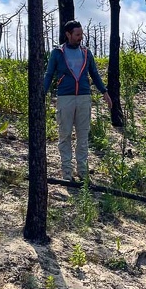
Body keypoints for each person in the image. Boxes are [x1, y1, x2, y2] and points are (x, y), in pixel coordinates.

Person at [43, 20, 112, 181]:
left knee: (83, 136)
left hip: (83, 98)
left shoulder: (86, 53)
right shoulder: (57, 53)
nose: (81, 37)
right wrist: (42, 93)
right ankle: (67, 173)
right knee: (65, 135)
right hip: (65, 98)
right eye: (77, 34)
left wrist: (104, 92)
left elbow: (94, 74)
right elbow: (49, 74)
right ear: (68, 35)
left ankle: (82, 171)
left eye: (81, 34)